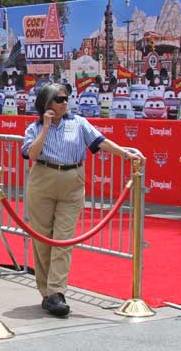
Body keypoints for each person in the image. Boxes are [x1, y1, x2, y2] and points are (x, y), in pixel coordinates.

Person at [21, 82, 145, 317]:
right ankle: (46, 292)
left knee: (64, 239)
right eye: (59, 99)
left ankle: (57, 292)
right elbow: (32, 154)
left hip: (72, 180)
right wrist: (46, 128)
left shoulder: (78, 123)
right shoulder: (34, 128)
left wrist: (126, 154)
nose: (65, 102)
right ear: (47, 103)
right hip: (42, 179)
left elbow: (101, 141)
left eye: (66, 98)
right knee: (42, 238)